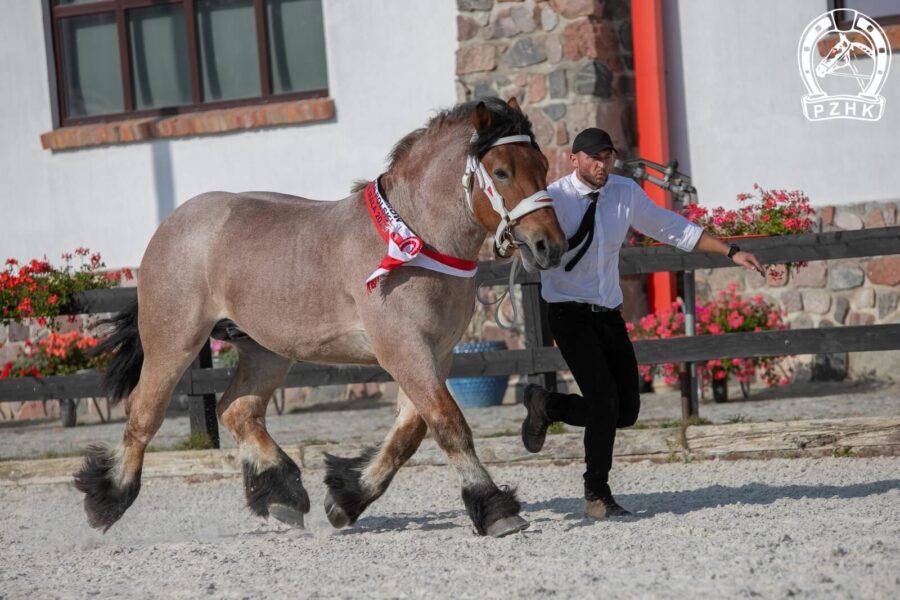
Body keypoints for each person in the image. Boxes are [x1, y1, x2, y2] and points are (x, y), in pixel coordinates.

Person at [520, 128, 765, 519]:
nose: (601, 166)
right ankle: (596, 495)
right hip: (568, 312)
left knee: (626, 412)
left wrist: (731, 251)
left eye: (608, 157)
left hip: (609, 314)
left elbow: (672, 227)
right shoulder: (554, 199)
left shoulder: (624, 193)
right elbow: (525, 241)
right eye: (593, 158)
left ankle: (546, 405)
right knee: (603, 403)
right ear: (574, 159)